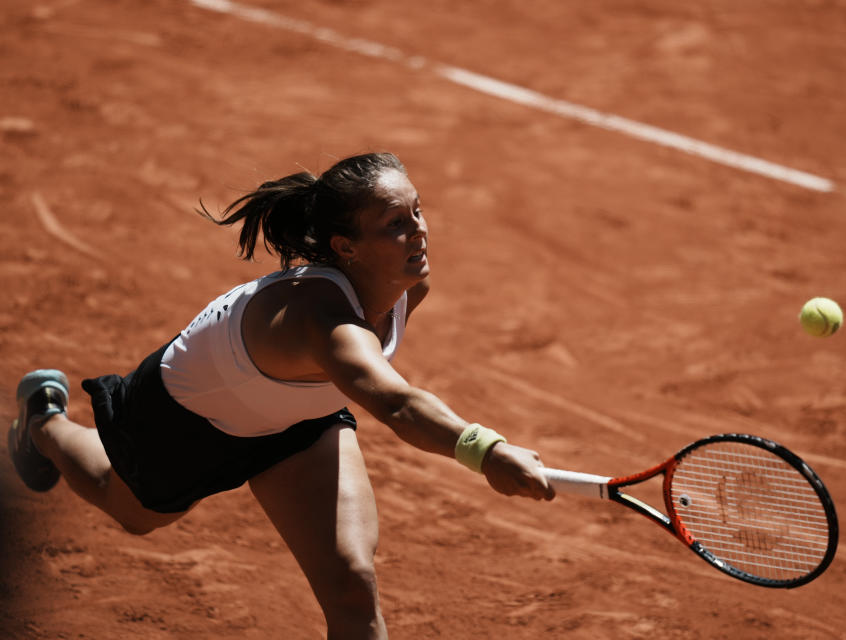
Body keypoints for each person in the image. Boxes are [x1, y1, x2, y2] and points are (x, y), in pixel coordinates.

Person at [8, 151, 555, 639]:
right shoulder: (321, 320)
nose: (418, 232)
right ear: (347, 247)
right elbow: (395, 403)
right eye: (394, 224)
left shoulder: (408, 285)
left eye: (417, 211)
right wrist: (485, 450)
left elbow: (372, 381)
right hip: (186, 418)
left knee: (351, 584)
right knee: (130, 509)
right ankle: (44, 422)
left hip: (299, 421)